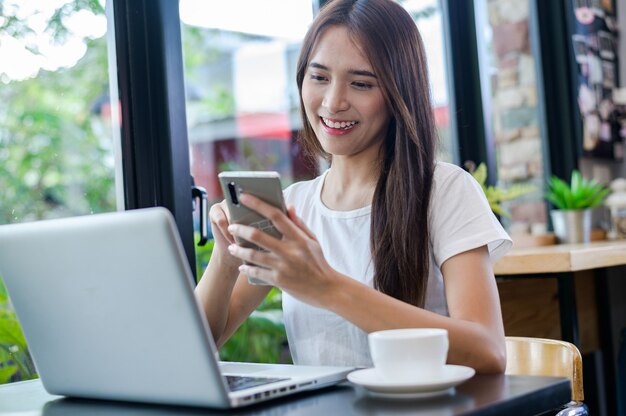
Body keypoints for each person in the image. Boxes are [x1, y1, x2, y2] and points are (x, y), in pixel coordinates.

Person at [195, 0, 512, 374]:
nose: (333, 102)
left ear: (398, 94)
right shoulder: (293, 207)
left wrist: (327, 287)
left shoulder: (444, 190)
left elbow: (488, 352)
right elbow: (197, 345)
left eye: (361, 83)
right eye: (319, 77)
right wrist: (226, 259)